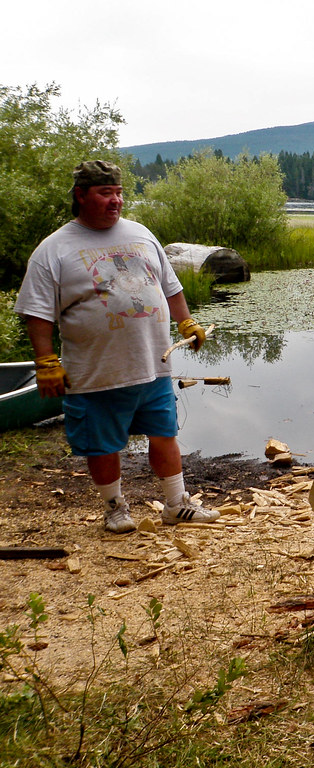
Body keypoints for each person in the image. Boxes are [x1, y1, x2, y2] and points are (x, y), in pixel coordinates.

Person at [15, 160, 219, 534]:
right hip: (96, 372)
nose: (116, 201)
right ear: (80, 195)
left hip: (152, 365)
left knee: (165, 434)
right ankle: (115, 508)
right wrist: (45, 360)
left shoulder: (141, 234)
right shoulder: (54, 249)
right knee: (102, 444)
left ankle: (176, 504)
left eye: (119, 193)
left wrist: (186, 321)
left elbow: (170, 287)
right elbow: (37, 313)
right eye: (105, 193)